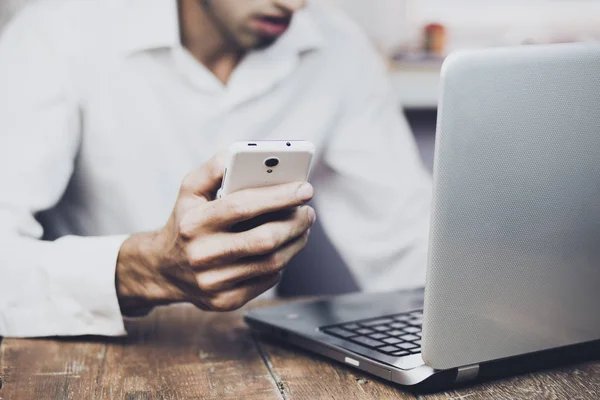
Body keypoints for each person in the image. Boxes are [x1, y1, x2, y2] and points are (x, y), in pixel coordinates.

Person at [0, 0, 431, 337]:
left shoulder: (338, 49)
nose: (296, 6)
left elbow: (408, 243)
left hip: (252, 355)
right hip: (93, 356)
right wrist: (143, 268)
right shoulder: (54, 37)